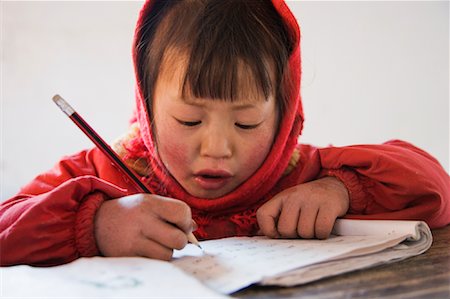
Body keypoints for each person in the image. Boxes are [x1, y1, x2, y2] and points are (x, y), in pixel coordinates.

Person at [1, 0, 449, 266]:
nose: (216, 148)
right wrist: (93, 223)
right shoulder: (105, 173)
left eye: (247, 123)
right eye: (189, 121)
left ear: (284, 113)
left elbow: (435, 187)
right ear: (148, 106)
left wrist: (341, 190)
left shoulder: (302, 176)